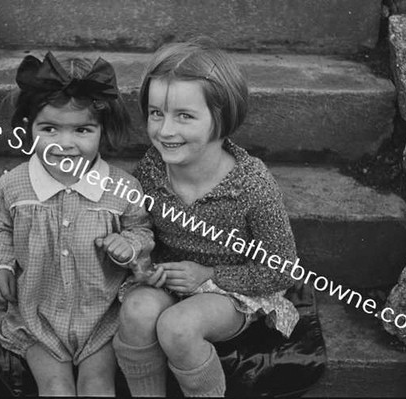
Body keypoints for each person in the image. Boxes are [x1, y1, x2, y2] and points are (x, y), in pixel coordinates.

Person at [113, 40, 301, 397]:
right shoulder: (152, 169)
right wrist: (142, 260)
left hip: (233, 288)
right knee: (136, 311)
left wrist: (210, 275)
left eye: (184, 115)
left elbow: (282, 268)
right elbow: (142, 227)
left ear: (222, 117)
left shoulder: (252, 186)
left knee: (178, 327)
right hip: (173, 278)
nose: (165, 130)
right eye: (156, 113)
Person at [0, 50, 154, 396]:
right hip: (37, 316)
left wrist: (130, 245)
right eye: (49, 128)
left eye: (82, 129)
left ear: (102, 131)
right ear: (29, 127)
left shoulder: (121, 189)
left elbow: (141, 228)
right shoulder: (15, 185)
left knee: (97, 385)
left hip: (101, 316)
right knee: (55, 387)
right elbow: (2, 226)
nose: (65, 144)